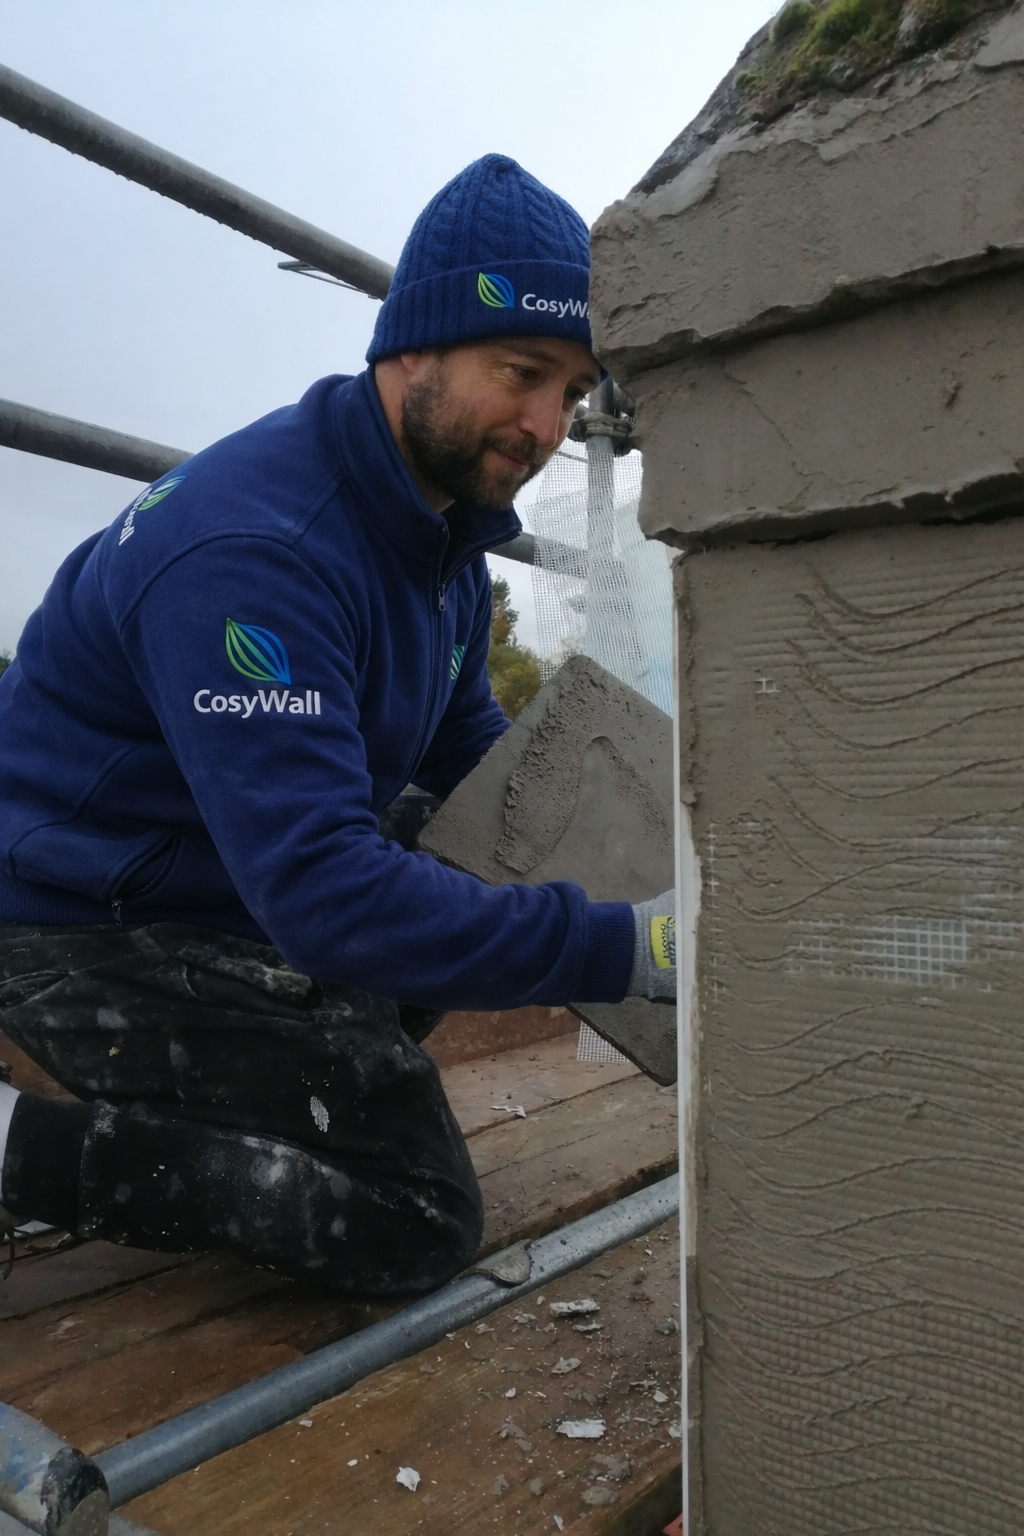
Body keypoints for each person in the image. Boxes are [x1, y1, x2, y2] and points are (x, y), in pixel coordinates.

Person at [0, 155, 675, 1294]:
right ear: (410, 347)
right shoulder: (256, 553)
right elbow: (321, 894)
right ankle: (21, 1145)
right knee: (408, 1215)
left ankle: (294, 1075)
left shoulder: (442, 533)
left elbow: (476, 769)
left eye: (570, 392)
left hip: (217, 879)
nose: (546, 425)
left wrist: (679, 842)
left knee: (441, 834)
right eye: (522, 373)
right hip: (78, 922)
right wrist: (630, 948)